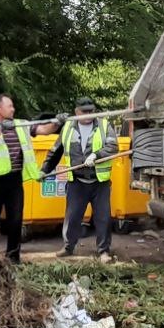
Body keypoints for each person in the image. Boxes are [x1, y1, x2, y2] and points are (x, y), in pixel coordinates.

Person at [41, 97, 119, 263]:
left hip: (99, 182)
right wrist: (44, 170)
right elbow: (56, 151)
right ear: (76, 112)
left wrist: (95, 155)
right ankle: (68, 247)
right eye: (85, 111)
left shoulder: (104, 125)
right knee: (73, 216)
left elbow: (113, 147)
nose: (89, 114)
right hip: (77, 181)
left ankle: (104, 251)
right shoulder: (68, 127)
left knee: (103, 218)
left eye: (91, 110)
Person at [0, 94, 51, 262]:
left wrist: (58, 122)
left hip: (14, 180)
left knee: (16, 219)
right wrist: (1, 128)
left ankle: (13, 257)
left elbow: (44, 130)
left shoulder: (21, 125)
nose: (13, 109)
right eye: (10, 106)